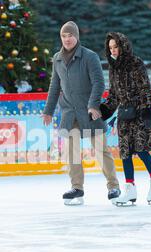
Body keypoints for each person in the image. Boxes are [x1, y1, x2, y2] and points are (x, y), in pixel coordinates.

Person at [42, 21, 120, 205]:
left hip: (90, 112)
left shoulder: (89, 56)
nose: (67, 39)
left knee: (101, 150)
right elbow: (54, 87)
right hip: (69, 113)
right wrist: (48, 111)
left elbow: (99, 83)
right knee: (72, 152)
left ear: (76, 36)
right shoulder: (57, 58)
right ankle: (77, 188)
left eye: (70, 35)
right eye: (64, 36)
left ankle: (113, 186)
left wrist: (93, 105)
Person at [101, 32, 151, 206]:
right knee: (125, 153)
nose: (113, 51)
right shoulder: (113, 67)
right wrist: (104, 110)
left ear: (123, 46)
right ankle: (130, 190)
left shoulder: (135, 63)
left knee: (142, 149)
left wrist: (148, 110)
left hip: (140, 112)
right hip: (124, 115)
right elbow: (113, 95)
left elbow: (145, 88)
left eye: (116, 47)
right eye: (110, 48)